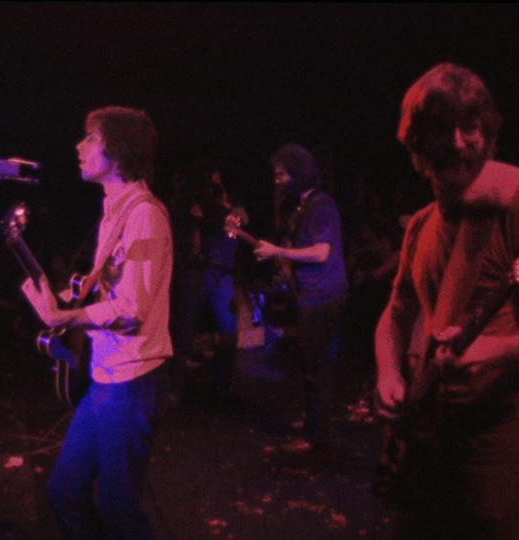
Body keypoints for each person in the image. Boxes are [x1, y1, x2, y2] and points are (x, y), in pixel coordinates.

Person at [374, 63, 519, 539]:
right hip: (431, 445)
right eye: (440, 129)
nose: (457, 142)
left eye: (470, 127)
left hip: (498, 446)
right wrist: (388, 372)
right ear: (416, 145)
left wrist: (495, 349)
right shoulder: (421, 226)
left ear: (488, 134)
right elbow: (396, 314)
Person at [21, 105, 172, 539]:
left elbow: (131, 307)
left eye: (90, 138)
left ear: (117, 149)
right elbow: (109, 289)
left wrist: (63, 316)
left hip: (132, 380)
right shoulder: (115, 212)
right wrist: (63, 298)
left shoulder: (144, 215)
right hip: (107, 376)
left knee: (119, 512)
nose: (79, 146)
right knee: (65, 491)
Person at [254, 143, 348, 451]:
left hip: (322, 295)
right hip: (311, 294)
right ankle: (313, 422)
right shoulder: (302, 206)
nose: (277, 180)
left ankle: (317, 436)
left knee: (315, 366)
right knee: (309, 363)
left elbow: (322, 253)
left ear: (297, 174)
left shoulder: (321, 205)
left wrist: (279, 251)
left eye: (282, 174)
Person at [174, 159, 249, 404]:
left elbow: (241, 221)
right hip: (198, 270)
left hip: (221, 273)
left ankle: (222, 385)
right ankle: (176, 387)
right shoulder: (195, 203)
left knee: (228, 331)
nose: (214, 183)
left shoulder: (230, 204)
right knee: (183, 332)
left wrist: (226, 207)